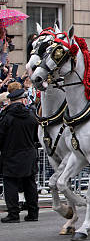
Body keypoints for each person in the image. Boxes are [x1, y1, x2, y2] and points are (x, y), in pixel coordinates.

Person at [0, 88, 39, 223]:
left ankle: (13, 213)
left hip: (10, 154)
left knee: (10, 183)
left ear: (10, 101)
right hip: (29, 153)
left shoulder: (7, 117)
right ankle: (33, 213)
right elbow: (36, 136)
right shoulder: (31, 115)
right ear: (23, 100)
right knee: (30, 183)